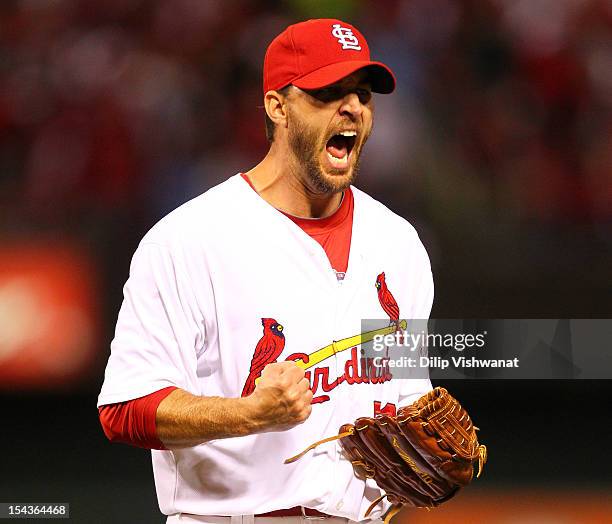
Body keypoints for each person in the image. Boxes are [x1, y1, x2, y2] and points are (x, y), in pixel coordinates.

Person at [97, 18, 434, 524]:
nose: (352, 108)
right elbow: (125, 409)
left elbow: (404, 399)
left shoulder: (398, 244)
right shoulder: (190, 239)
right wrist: (250, 415)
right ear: (277, 106)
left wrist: (425, 451)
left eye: (362, 94)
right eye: (327, 92)